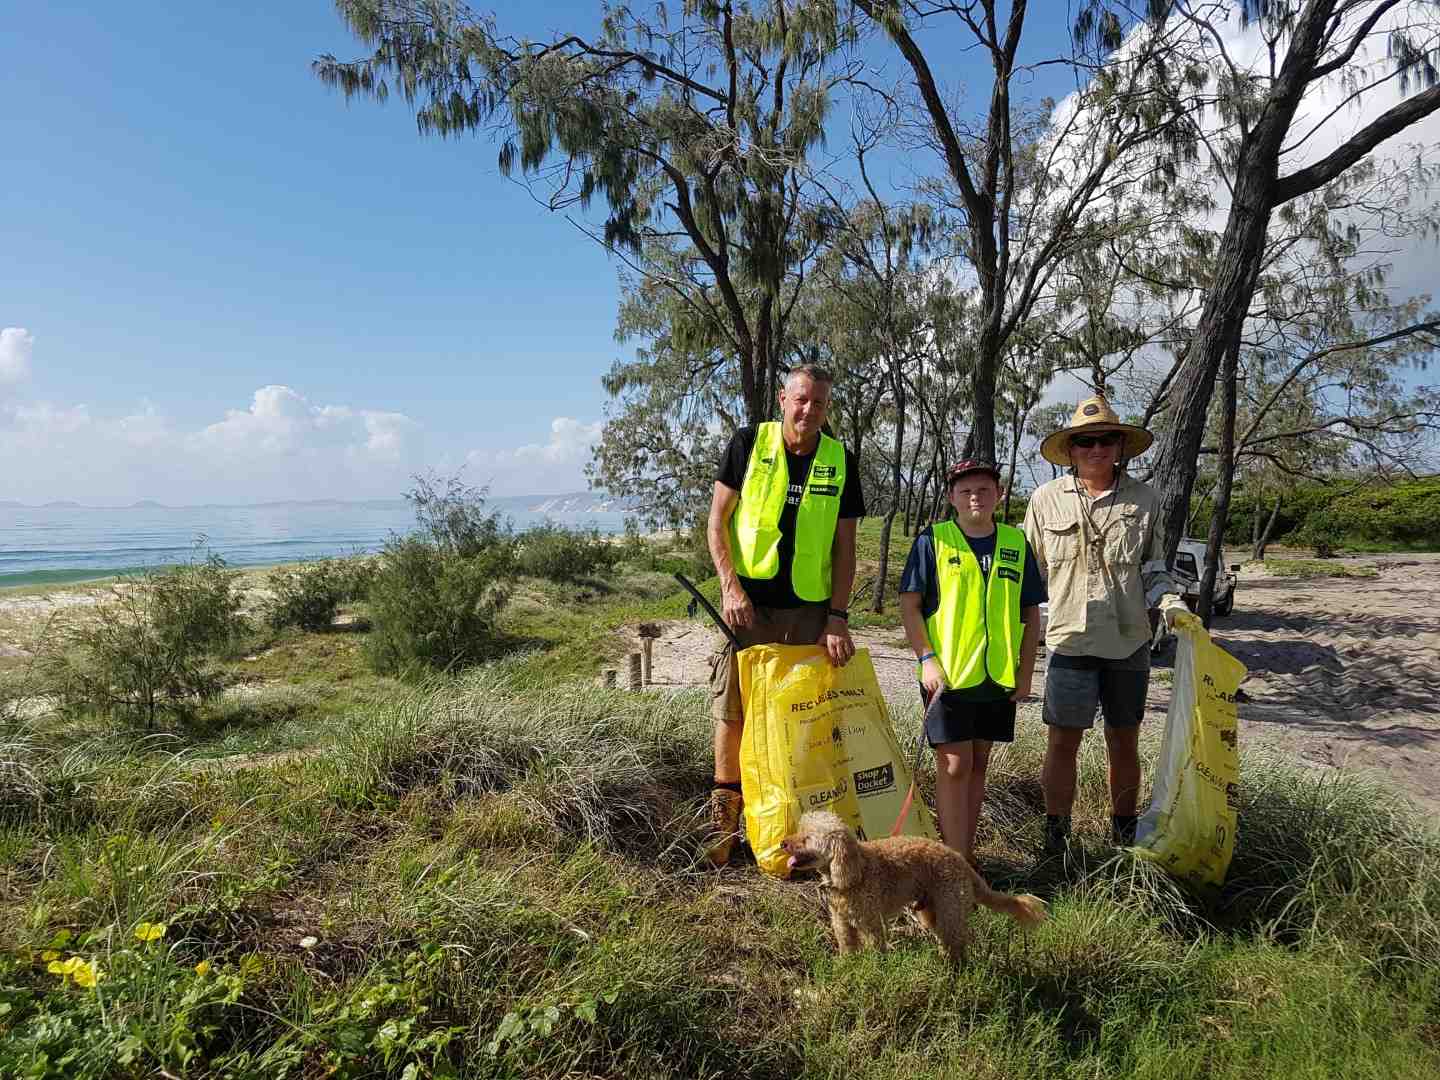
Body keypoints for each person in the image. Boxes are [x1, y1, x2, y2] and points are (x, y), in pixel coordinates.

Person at [705, 364, 865, 867]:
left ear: (827, 407)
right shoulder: (749, 443)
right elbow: (717, 521)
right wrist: (731, 588)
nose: (807, 410)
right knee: (734, 712)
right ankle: (724, 827)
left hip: (808, 611)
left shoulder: (841, 460)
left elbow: (845, 549)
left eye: (818, 402)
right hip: (748, 609)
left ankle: (790, 835)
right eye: (800, 399)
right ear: (781, 399)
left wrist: (837, 617)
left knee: (802, 719)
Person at [1023, 395, 1187, 853]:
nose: (1096, 449)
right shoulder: (1044, 499)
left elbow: (1154, 568)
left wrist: (1173, 606)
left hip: (1129, 643)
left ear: (1121, 447)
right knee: (1061, 743)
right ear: (1071, 450)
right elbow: (1027, 575)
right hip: (1068, 643)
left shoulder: (1147, 500)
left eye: (1106, 440)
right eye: (1085, 441)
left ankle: (1122, 836)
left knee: (1124, 741)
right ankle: (1055, 839)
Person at [898, 460, 1046, 867]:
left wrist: (1025, 670)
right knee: (954, 764)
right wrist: (926, 659)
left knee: (978, 763)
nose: (975, 497)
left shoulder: (1016, 543)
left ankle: (966, 856)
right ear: (952, 498)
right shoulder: (934, 541)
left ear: (998, 494)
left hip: (997, 677)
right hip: (946, 676)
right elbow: (909, 606)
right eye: (965, 491)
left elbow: (1030, 614)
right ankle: (954, 863)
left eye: (984, 489)